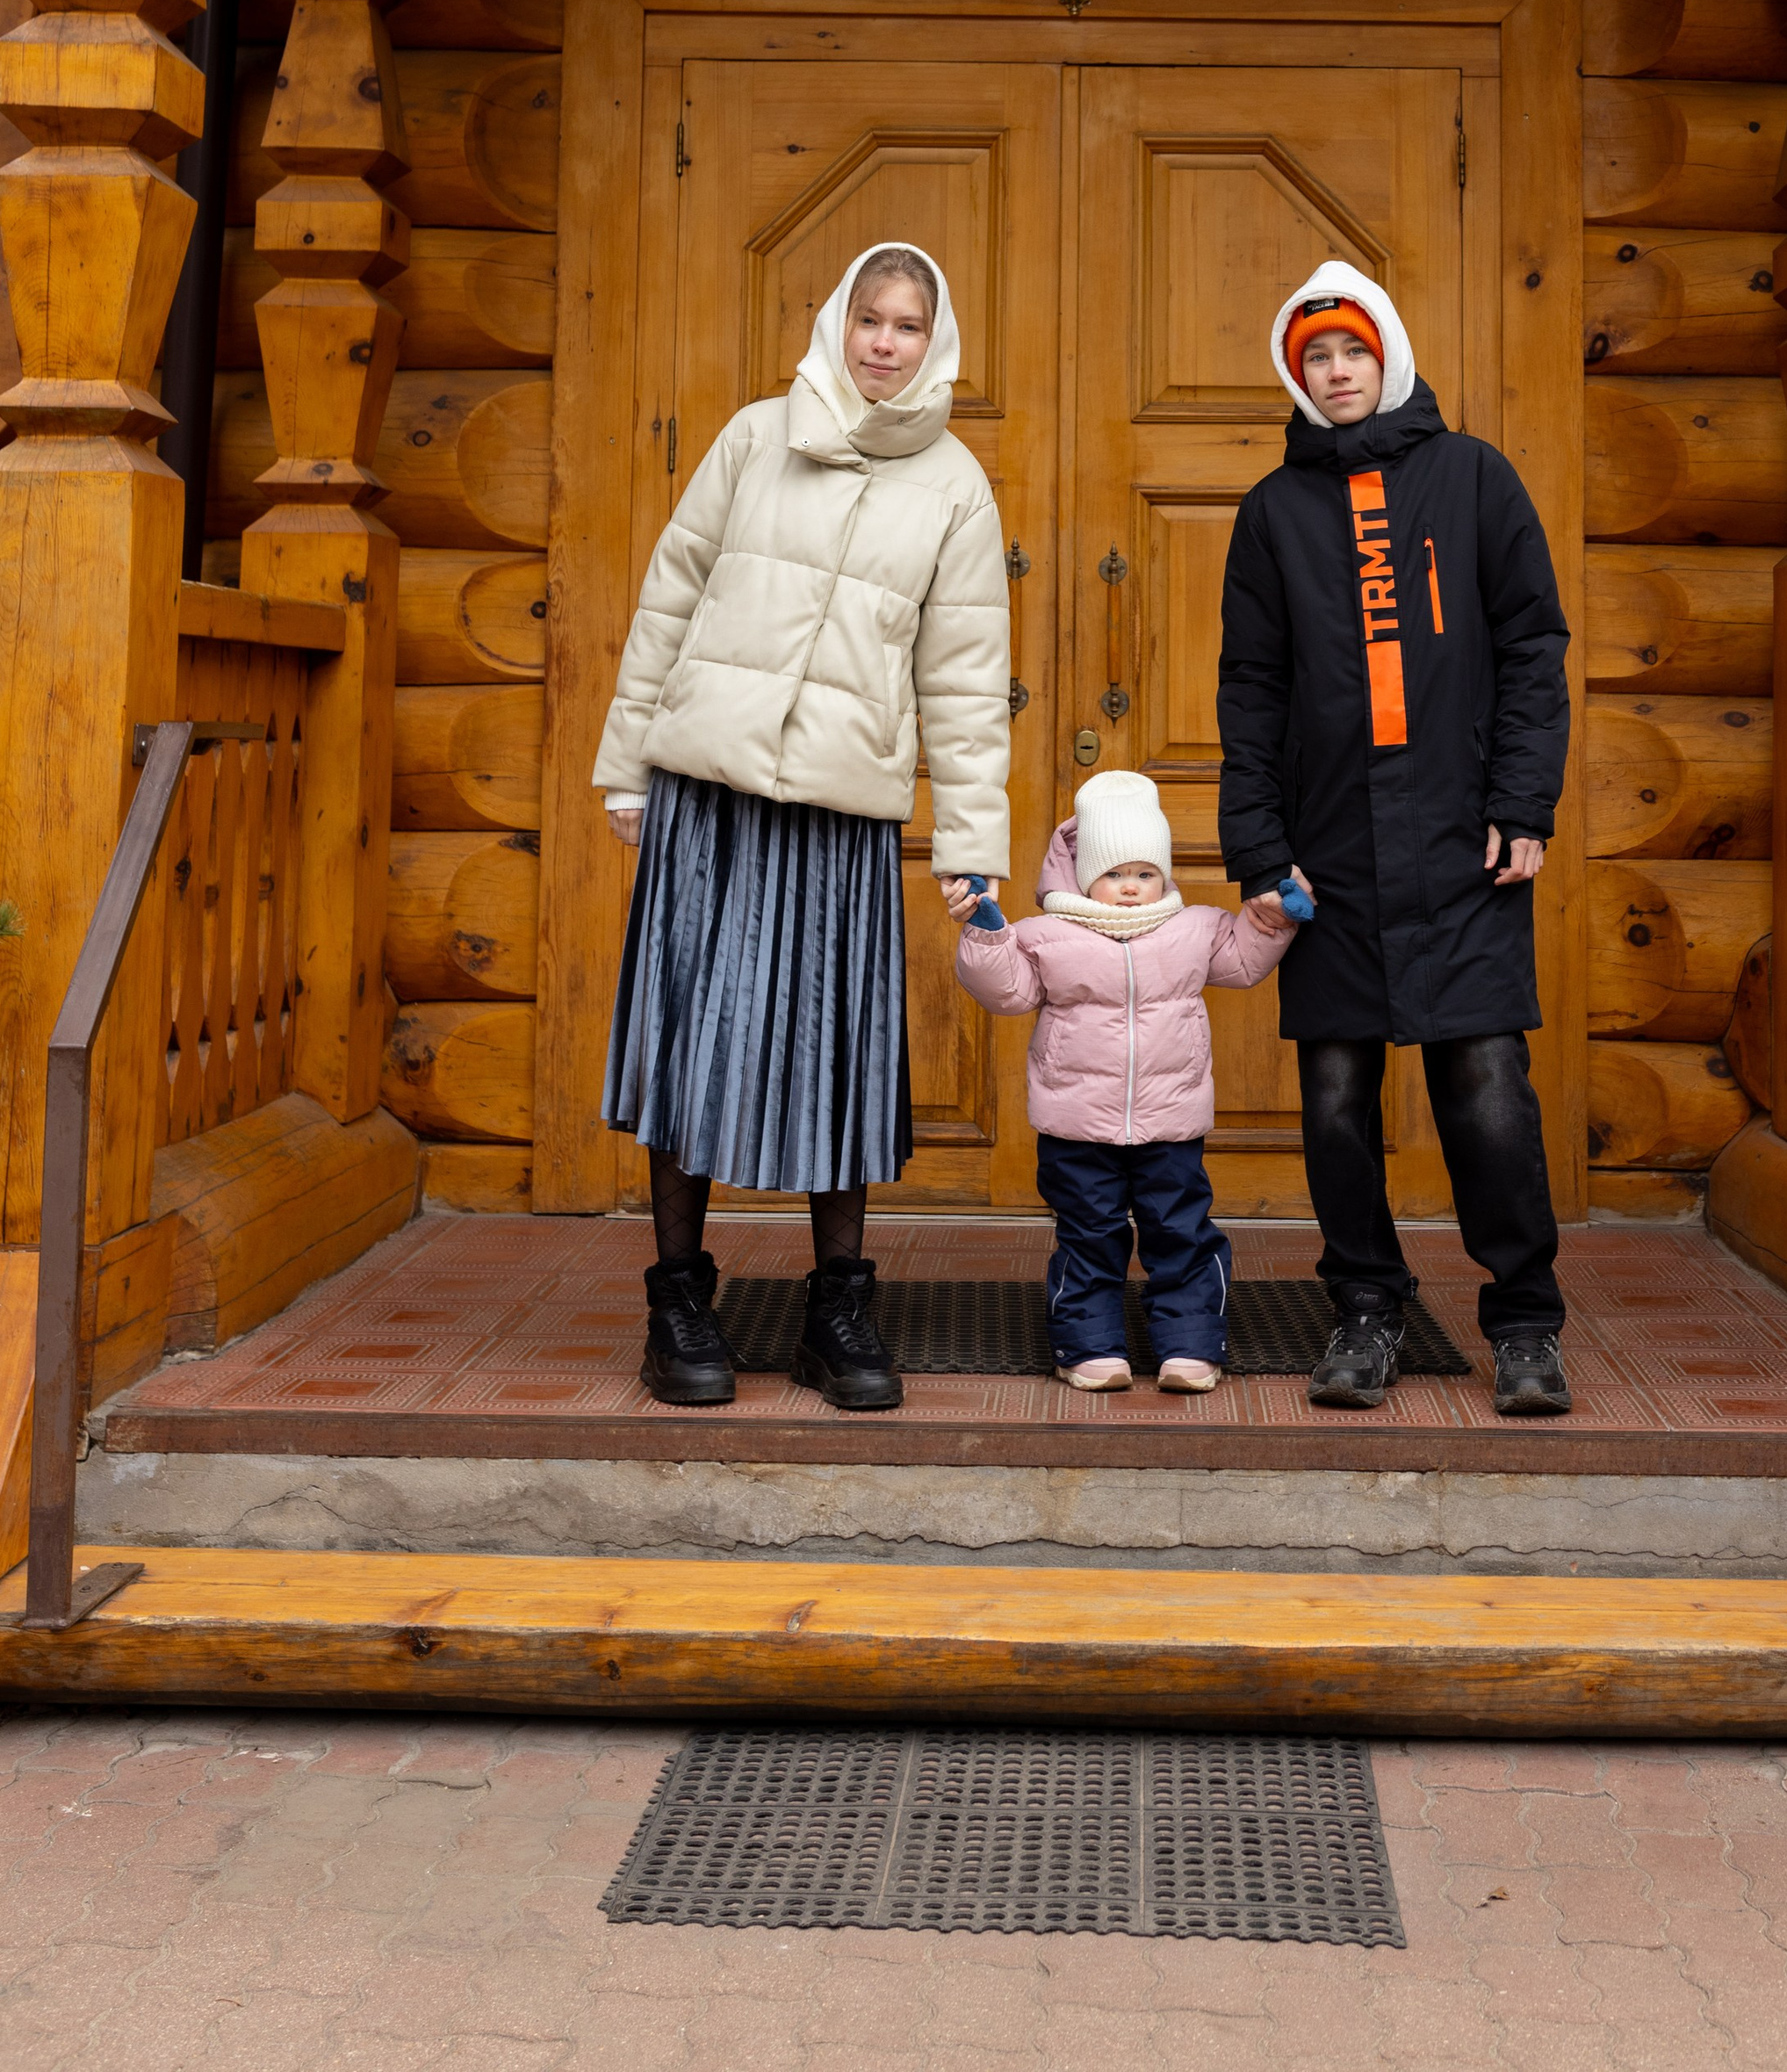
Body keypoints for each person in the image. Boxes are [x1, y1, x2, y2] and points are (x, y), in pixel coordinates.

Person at [594, 242, 1011, 1414]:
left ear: (937, 343)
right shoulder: (751, 436)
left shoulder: (955, 486)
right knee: (686, 1045)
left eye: (909, 327)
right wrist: (627, 764)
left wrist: (973, 843)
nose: (885, 343)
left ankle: (838, 1308)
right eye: (870, 319)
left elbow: (969, 682)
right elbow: (670, 594)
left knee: (839, 1054)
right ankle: (680, 1300)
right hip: (710, 793)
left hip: (841, 815)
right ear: (838, 322)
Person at [1216, 259, 1574, 1418]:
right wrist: (1259, 850)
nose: (1335, 372)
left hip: (1463, 846)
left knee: (1486, 1090)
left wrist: (1524, 806)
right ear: (1295, 372)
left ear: (1389, 356)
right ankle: (1365, 1314)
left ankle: (1523, 1324)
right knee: (1333, 1097)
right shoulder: (1272, 513)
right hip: (1333, 856)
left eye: (1352, 352)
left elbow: (1531, 647)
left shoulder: (1475, 479)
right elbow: (1252, 687)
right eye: (1314, 357)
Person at [947, 769, 1295, 1392]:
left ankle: (1190, 1345)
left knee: (1181, 1230)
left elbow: (1244, 962)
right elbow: (1007, 992)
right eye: (1113, 875)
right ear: (1084, 878)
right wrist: (987, 933)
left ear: (1163, 874)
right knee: (1089, 1233)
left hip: (1171, 1120)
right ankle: (1087, 1345)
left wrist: (1277, 917)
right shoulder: (1045, 935)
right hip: (1077, 1123)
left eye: (1144, 873)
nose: (1131, 889)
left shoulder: (1194, 928)